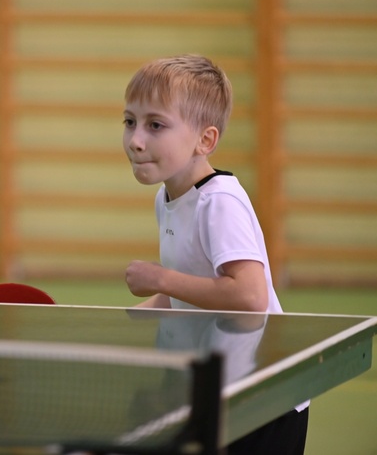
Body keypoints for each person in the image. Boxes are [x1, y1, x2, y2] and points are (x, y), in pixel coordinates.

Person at [121, 55, 309, 455]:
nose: (136, 139)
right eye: (130, 122)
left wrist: (159, 279)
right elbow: (190, 282)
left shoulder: (219, 201)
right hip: (222, 390)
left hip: (266, 397)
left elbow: (249, 297)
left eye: (155, 125)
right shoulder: (168, 197)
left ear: (204, 141)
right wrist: (143, 311)